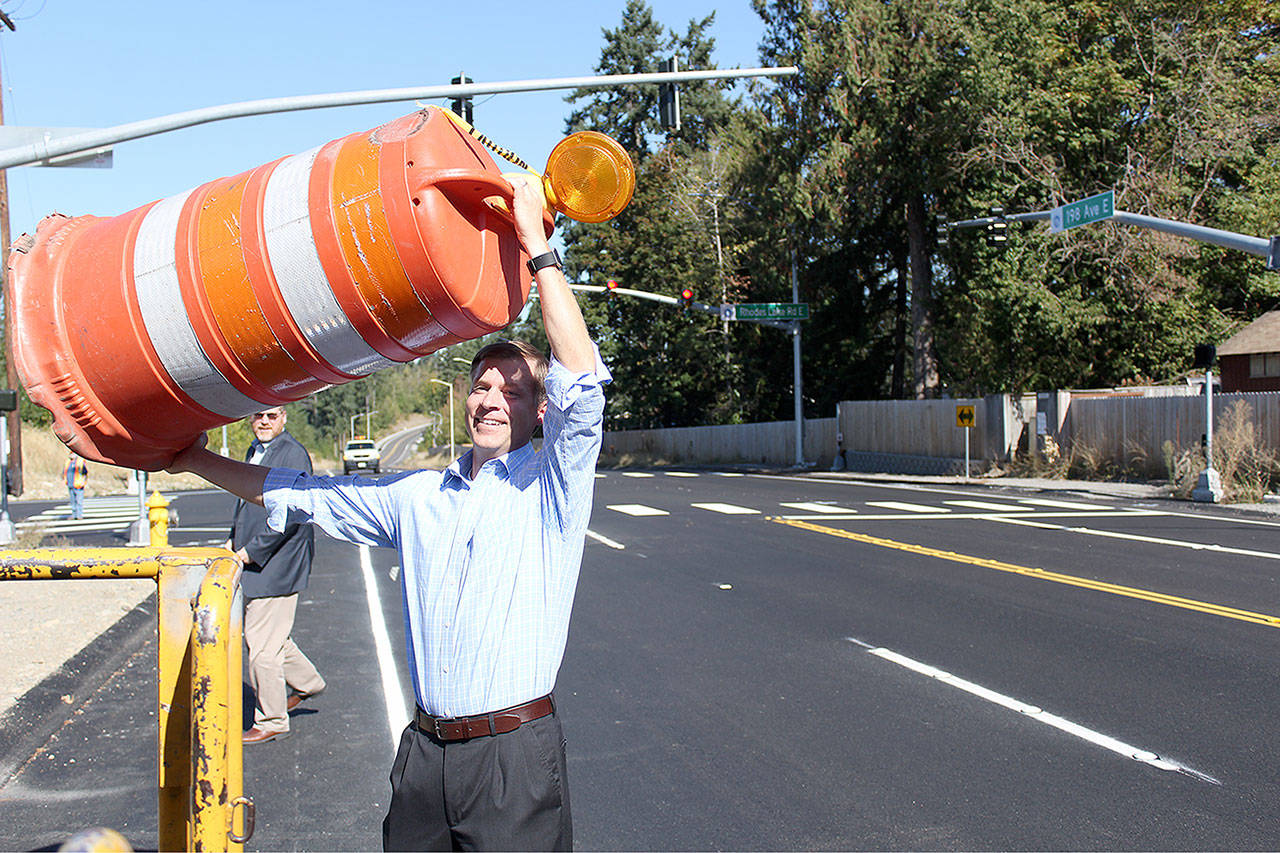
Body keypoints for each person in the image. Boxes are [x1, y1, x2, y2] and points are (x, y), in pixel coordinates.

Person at [167, 173, 607, 851]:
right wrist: (192, 458)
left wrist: (538, 250)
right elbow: (298, 494)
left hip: (513, 758)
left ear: (537, 412)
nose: (490, 397)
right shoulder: (417, 497)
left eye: (511, 390)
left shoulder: (551, 488)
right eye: (480, 384)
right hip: (426, 756)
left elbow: (584, 386)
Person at [228, 405, 326, 745]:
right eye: (257, 416)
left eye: (271, 416)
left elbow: (290, 515)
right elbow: (245, 502)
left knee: (261, 648)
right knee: (271, 637)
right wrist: (232, 538)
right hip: (259, 558)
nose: (264, 422)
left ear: (284, 417)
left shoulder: (292, 455)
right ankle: (308, 682)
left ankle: (271, 719)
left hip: (279, 562)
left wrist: (249, 552)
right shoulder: (256, 450)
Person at [64, 452, 88, 519]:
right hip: (70, 484)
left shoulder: (80, 463)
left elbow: (85, 473)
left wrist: (83, 482)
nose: (71, 455)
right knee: (73, 501)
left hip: (78, 485)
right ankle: (74, 515)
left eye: (72, 454)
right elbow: (64, 473)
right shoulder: (68, 463)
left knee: (79, 501)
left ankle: (79, 515)